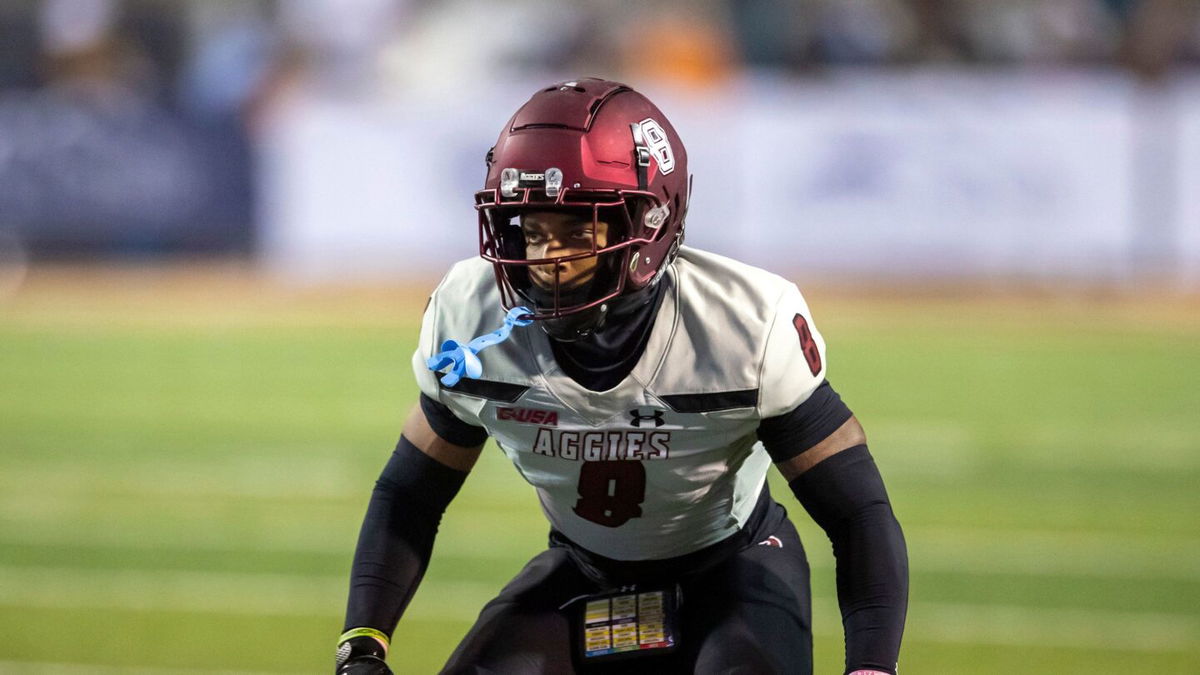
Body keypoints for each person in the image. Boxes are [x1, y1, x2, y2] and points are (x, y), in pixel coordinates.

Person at [336, 78, 908, 675]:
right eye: (531, 230)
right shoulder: (472, 315)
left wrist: (871, 668)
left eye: (576, 229)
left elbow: (857, 512)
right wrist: (363, 641)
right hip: (582, 570)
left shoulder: (740, 324)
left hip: (736, 568)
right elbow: (409, 494)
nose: (545, 259)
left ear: (649, 221)